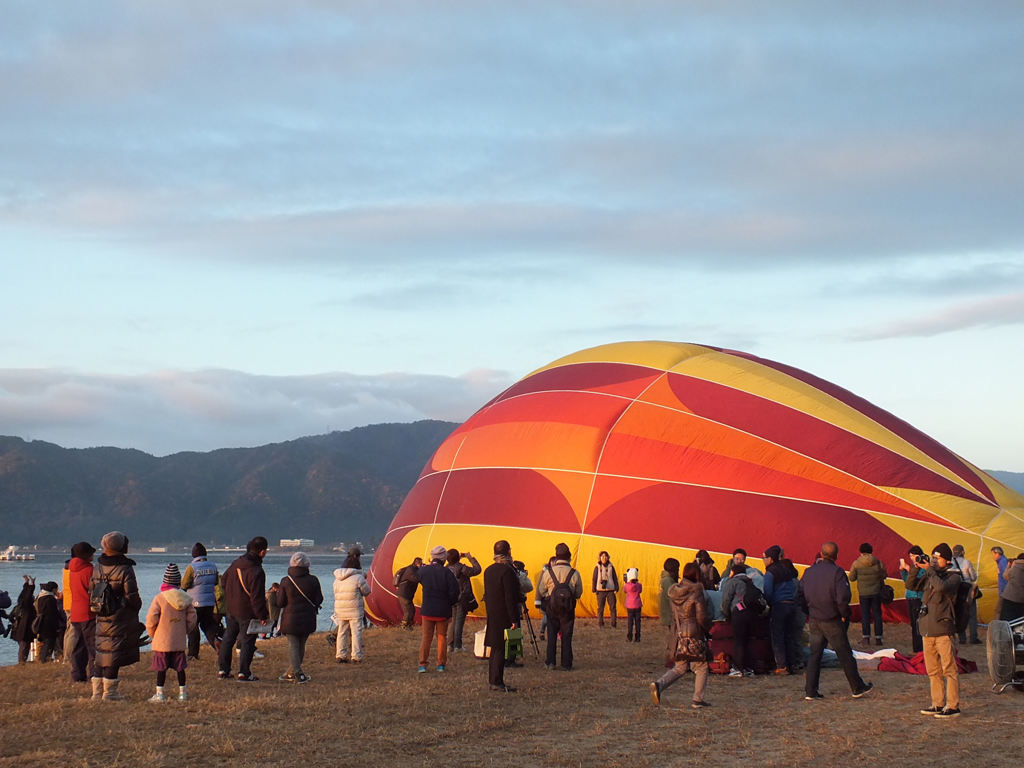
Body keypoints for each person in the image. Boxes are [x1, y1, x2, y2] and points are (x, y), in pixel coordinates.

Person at [800, 541, 874, 701]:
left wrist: (809, 611)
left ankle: (810, 691)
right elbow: (843, 597)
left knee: (815, 655)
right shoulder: (837, 572)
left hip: (815, 618)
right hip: (831, 619)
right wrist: (843, 614)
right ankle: (857, 687)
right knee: (845, 654)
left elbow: (799, 595)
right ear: (836, 556)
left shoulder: (809, 572)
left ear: (821, 553)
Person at [905, 543, 962, 717]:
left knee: (949, 670)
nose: (935, 561)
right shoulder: (931, 575)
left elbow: (941, 587)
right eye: (933, 558)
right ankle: (937, 703)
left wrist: (930, 569)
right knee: (933, 670)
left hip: (943, 630)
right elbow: (910, 585)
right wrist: (916, 567)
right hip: (928, 629)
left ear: (947, 559)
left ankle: (952, 706)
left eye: (938, 558)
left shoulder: (953, 577)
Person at [90, 531, 143, 701]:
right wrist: (135, 606)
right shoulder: (124, 568)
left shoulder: (97, 566)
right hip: (119, 615)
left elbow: (92, 589)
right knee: (114, 653)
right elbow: (132, 595)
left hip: (100, 613)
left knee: (101, 651)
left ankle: (96, 692)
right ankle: (110, 692)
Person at [650, 562, 712, 708]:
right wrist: (708, 627)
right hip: (694, 632)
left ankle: (659, 685)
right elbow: (701, 616)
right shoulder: (697, 592)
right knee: (702, 665)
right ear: (697, 575)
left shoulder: (675, 592)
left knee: (681, 667)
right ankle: (698, 699)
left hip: (679, 632)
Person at [218, 536, 269, 682]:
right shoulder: (257, 571)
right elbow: (257, 597)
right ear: (262, 552)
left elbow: (223, 581)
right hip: (247, 611)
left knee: (228, 638)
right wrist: (263, 616)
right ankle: (244, 673)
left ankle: (223, 670)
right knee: (247, 641)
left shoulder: (236, 564)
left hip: (231, 608)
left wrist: (232, 595)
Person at [145, 563, 198, 702]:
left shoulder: (160, 598)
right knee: (180, 667)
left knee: (161, 668)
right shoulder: (186, 599)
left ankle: (160, 693)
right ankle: (182, 693)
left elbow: (151, 618)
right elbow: (192, 619)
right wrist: (185, 630)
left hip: (162, 640)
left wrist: (152, 633)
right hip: (179, 639)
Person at [535, 542, 583, 671]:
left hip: (552, 608)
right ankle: (566, 664)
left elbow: (541, 590)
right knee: (566, 636)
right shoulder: (574, 573)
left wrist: (550, 595)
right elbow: (578, 593)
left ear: (556, 557)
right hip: (568, 609)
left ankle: (550, 662)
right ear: (569, 557)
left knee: (551, 635)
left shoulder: (549, 572)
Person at [279, 552, 323, 682]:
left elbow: (280, 602)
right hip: (308, 617)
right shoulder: (313, 580)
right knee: (301, 645)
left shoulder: (286, 581)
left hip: (290, 618)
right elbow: (319, 599)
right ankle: (292, 672)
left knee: (293, 645)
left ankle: (297, 673)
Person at [483, 540, 521, 692]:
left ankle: (494, 680)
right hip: (504, 613)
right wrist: (514, 619)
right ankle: (497, 682)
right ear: (508, 552)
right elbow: (510, 597)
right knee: (501, 648)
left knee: (495, 648)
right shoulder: (507, 571)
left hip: (492, 612)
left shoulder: (488, 570)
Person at [417, 545, 460, 673]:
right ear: (443, 558)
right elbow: (455, 592)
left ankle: (422, 664)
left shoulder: (423, 571)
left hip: (427, 609)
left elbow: (416, 578)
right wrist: (449, 603)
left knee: (426, 637)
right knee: (442, 637)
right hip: (443, 610)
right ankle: (440, 664)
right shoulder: (447, 572)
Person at [762, 545, 803, 674]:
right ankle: (792, 664)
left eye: (764, 558)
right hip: (791, 605)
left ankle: (781, 666)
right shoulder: (786, 570)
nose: (763, 560)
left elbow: (768, 591)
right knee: (789, 636)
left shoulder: (770, 573)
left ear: (770, 559)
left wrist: (767, 604)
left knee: (777, 636)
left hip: (779, 606)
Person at [65, 541, 98, 682]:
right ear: (86, 555)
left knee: (79, 646)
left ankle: (77, 675)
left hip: (76, 611)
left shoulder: (72, 570)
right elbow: (95, 590)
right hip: (88, 612)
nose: (93, 555)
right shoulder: (90, 571)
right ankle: (94, 674)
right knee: (93, 646)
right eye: (91, 553)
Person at [181, 542, 221, 659]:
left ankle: (193, 653)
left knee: (193, 627)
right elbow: (215, 582)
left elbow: (185, 584)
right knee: (208, 625)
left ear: (194, 555)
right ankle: (216, 642)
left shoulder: (192, 567)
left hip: (195, 602)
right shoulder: (213, 566)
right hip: (209, 602)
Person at [720, 563, 758, 677]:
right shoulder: (750, 582)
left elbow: (726, 600)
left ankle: (738, 668)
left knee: (738, 641)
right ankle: (748, 668)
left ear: (733, 572)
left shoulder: (732, 582)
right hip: (751, 614)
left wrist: (727, 615)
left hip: (738, 613)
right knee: (747, 641)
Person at [332, 548, 370, 664]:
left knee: (342, 632)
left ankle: (340, 655)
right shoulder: (358, 578)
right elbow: (367, 591)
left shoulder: (337, 579)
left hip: (340, 610)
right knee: (356, 633)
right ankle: (356, 656)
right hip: (354, 610)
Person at [849, 542, 888, 646]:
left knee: (865, 615)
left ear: (861, 552)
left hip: (863, 593)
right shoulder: (878, 562)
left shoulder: (856, 563)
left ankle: (866, 638)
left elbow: (852, 578)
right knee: (877, 615)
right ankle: (878, 638)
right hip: (876, 592)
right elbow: (884, 575)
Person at [445, 549, 481, 652]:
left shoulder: (447, 568)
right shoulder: (462, 568)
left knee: (453, 622)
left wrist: (455, 559)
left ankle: (450, 645)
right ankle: (458, 646)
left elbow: (452, 563)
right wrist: (469, 557)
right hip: (462, 598)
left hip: (451, 598)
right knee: (459, 622)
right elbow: (477, 570)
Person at [899, 546, 927, 654]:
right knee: (913, 624)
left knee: (918, 623)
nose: (911, 558)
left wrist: (909, 569)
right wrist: (903, 572)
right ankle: (916, 647)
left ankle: (920, 648)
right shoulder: (913, 567)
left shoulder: (923, 567)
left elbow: (920, 581)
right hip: (910, 597)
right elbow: (908, 582)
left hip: (918, 597)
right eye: (910, 556)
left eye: (913, 555)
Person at [951, 544, 980, 644]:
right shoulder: (967, 562)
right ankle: (973, 638)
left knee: (960, 614)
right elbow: (973, 577)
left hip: (957, 591)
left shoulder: (951, 562)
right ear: (962, 552)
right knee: (972, 615)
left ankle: (962, 639)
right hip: (968, 590)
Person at [33, 581, 62, 663]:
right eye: (56, 589)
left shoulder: (40, 597)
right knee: (49, 643)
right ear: (53, 589)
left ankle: (43, 659)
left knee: (45, 642)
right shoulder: (50, 599)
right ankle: (45, 660)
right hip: (49, 625)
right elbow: (54, 613)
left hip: (41, 623)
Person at [11, 576, 37, 664]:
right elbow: (27, 595)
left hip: (18, 630)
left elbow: (24, 594)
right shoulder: (27, 606)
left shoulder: (19, 604)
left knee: (23, 647)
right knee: (24, 647)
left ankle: (22, 662)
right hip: (24, 630)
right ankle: (21, 663)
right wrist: (32, 585)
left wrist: (26, 583)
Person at [591, 551, 619, 628]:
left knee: (613, 607)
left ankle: (613, 624)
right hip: (600, 591)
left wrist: (616, 588)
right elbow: (594, 578)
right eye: (602, 556)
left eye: (606, 556)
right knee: (600, 608)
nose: (604, 558)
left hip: (610, 590)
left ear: (608, 557)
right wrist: (594, 589)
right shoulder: (597, 567)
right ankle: (600, 623)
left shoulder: (611, 567)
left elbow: (615, 578)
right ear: (600, 558)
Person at [394, 557, 422, 629]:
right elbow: (415, 579)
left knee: (411, 610)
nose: (421, 565)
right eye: (420, 564)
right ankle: (404, 626)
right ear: (416, 563)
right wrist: (422, 574)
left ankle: (409, 625)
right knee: (408, 610)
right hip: (404, 594)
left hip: (405, 594)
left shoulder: (413, 569)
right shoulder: (411, 570)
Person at [998, 554, 1024, 622]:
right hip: (1021, 600)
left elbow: (1005, 576)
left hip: (1010, 598)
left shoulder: (1016, 566)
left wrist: (1009, 566)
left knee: (1007, 620)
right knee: (1019, 621)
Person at [658, 558, 681, 630]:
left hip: (667, 612)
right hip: (669, 613)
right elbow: (674, 595)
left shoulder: (665, 579)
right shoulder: (668, 581)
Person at [624, 568, 643, 643]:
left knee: (630, 622)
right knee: (638, 622)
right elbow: (640, 591)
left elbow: (624, 591)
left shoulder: (627, 586)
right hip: (638, 605)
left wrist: (626, 582)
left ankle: (629, 637)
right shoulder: (639, 585)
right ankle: (637, 637)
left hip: (630, 606)